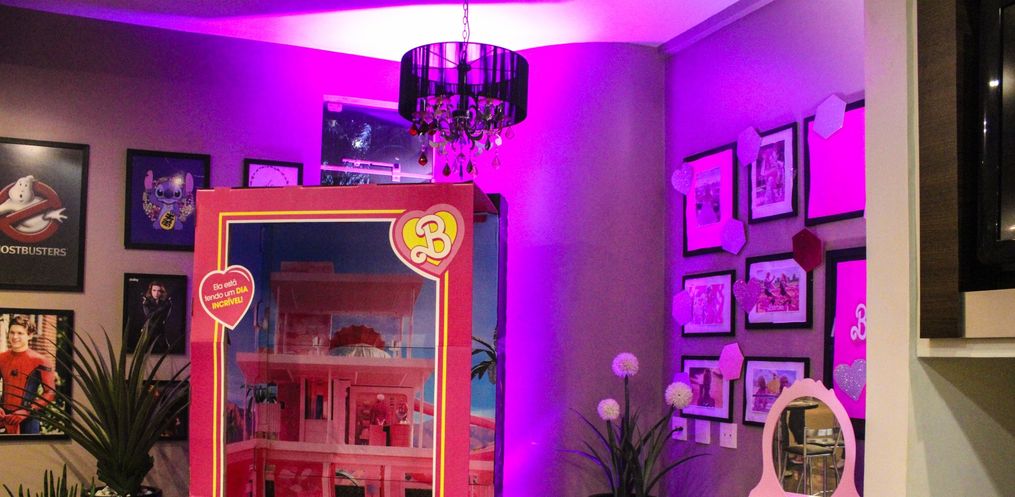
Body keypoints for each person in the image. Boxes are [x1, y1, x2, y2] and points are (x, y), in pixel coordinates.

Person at [0, 315, 56, 434]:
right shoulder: (1, 358)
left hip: (29, 419)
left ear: (30, 335)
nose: (15, 337)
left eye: (20, 333)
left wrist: (26, 411)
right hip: (3, 417)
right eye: (12, 332)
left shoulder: (41, 361)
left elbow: (50, 393)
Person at [135, 280, 177, 352]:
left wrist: (167, 305)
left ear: (162, 292)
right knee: (145, 350)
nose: (156, 293)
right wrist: (163, 308)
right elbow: (150, 315)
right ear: (150, 291)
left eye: (159, 291)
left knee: (166, 350)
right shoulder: (146, 302)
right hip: (148, 330)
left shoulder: (166, 303)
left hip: (160, 330)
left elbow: (165, 317)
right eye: (154, 290)